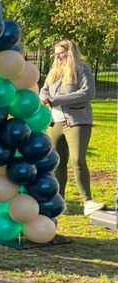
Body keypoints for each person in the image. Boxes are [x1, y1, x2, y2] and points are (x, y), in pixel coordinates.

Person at [40, 40, 103, 216]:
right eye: (56, 53)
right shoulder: (54, 71)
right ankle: (59, 202)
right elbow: (44, 90)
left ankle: (87, 202)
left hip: (77, 121)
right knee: (57, 162)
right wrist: (44, 97)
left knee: (77, 160)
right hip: (55, 122)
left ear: (71, 53)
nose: (58, 56)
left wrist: (56, 99)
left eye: (62, 53)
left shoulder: (82, 68)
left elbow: (88, 93)